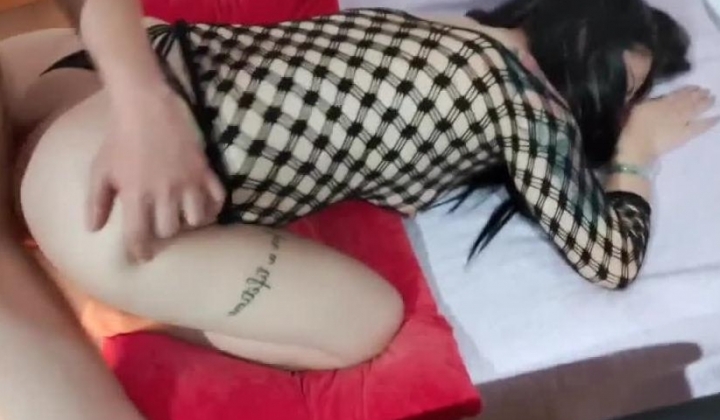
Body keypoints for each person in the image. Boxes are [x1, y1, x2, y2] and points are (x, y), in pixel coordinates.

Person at [0, 1, 716, 419]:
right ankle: (103, 290)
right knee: (366, 322)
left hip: (61, 72)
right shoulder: (523, 100)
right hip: (108, 190)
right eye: (618, 89)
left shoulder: (438, 30)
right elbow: (609, 259)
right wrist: (633, 153)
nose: (613, 107)